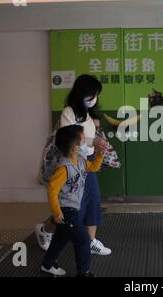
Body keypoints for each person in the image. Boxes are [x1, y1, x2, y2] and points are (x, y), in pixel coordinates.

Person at [35, 74, 112, 256]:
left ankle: (91, 241)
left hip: (85, 165)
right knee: (70, 209)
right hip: (70, 167)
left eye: (96, 95)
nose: (95, 99)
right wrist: (94, 142)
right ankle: (45, 230)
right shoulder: (69, 113)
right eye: (92, 95)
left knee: (92, 202)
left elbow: (88, 136)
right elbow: (68, 139)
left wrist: (96, 140)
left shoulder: (88, 113)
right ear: (82, 94)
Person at [41, 125, 104, 277]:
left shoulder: (80, 161)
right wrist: (56, 212)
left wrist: (100, 153)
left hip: (72, 210)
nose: (85, 144)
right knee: (83, 240)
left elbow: (93, 168)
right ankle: (83, 272)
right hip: (66, 211)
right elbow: (52, 190)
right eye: (83, 141)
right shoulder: (63, 168)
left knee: (61, 239)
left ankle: (47, 264)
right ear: (75, 148)